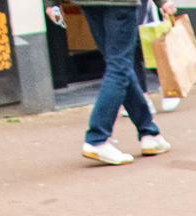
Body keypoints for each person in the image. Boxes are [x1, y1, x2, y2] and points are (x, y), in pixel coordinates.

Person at [57, 0, 173, 165]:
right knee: (119, 67)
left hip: (89, 3)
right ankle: (97, 138)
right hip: (119, 3)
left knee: (120, 65)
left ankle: (149, 133)